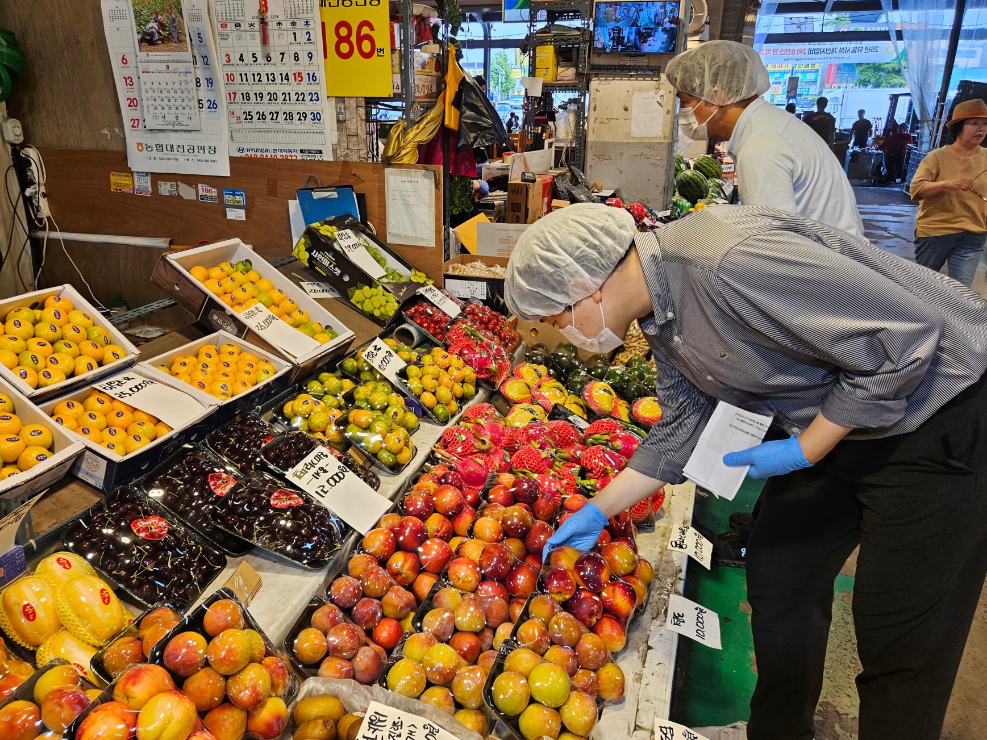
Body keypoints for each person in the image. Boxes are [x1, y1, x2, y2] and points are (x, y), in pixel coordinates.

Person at [506, 202, 987, 740]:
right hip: (834, 414)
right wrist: (598, 507)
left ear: (584, 285)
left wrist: (806, 448)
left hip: (939, 413)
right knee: (781, 574)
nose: (561, 332)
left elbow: (908, 337)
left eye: (554, 318)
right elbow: (681, 427)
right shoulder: (660, 312)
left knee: (901, 636)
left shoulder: (726, 259)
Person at [665, 42, 865, 246]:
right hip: (829, 258)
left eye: (685, 102)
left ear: (716, 95)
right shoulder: (769, 124)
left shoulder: (762, 145)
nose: (682, 111)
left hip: (825, 270)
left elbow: (772, 247)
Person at [910, 99, 987, 288]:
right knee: (923, 287)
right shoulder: (937, 157)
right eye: (974, 123)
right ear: (959, 128)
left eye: (985, 124)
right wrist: (947, 184)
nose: (981, 129)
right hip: (936, 231)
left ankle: (950, 319)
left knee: (959, 292)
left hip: (974, 233)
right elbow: (917, 189)